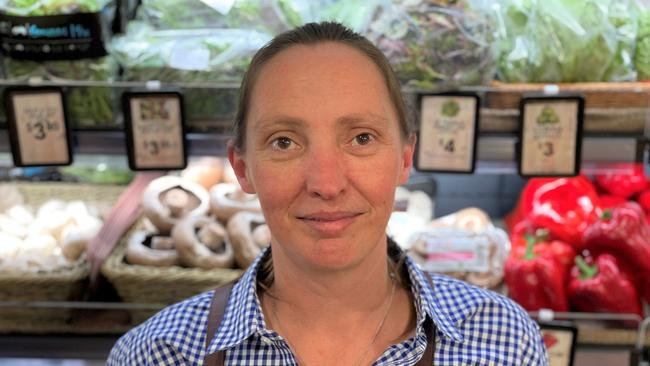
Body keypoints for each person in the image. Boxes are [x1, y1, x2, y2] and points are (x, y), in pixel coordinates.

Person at [108, 21, 548, 365]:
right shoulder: (156, 354)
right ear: (243, 169)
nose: (326, 183)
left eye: (361, 138)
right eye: (285, 142)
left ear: (405, 157)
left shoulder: (504, 341)